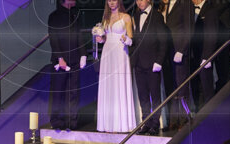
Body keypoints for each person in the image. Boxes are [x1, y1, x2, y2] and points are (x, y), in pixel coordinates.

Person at [96, 0, 138, 133]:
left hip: (120, 53)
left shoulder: (126, 17)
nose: (112, 3)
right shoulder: (105, 18)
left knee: (119, 84)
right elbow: (106, 37)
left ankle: (121, 124)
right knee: (108, 85)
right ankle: (108, 124)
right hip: (107, 53)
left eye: (114, 0)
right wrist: (101, 39)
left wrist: (126, 39)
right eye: (109, 0)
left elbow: (131, 39)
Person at [129, 0, 166, 135]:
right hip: (139, 63)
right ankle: (146, 122)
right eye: (137, 0)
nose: (139, 2)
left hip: (152, 63)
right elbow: (136, 39)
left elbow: (163, 40)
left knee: (155, 95)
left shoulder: (157, 16)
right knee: (143, 95)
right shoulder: (136, 16)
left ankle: (155, 124)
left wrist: (159, 61)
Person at [48, 0, 86, 131]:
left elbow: (79, 35)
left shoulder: (74, 14)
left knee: (73, 92)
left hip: (74, 60)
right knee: (58, 93)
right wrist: (60, 58)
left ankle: (71, 122)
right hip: (60, 62)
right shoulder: (54, 16)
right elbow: (53, 38)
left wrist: (83, 54)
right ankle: (57, 122)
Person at [161, 0, 193, 131]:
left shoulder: (186, 3)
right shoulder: (168, 3)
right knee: (172, 86)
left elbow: (189, 28)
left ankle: (185, 119)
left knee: (182, 86)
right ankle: (174, 119)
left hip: (179, 51)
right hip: (169, 50)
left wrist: (182, 50)